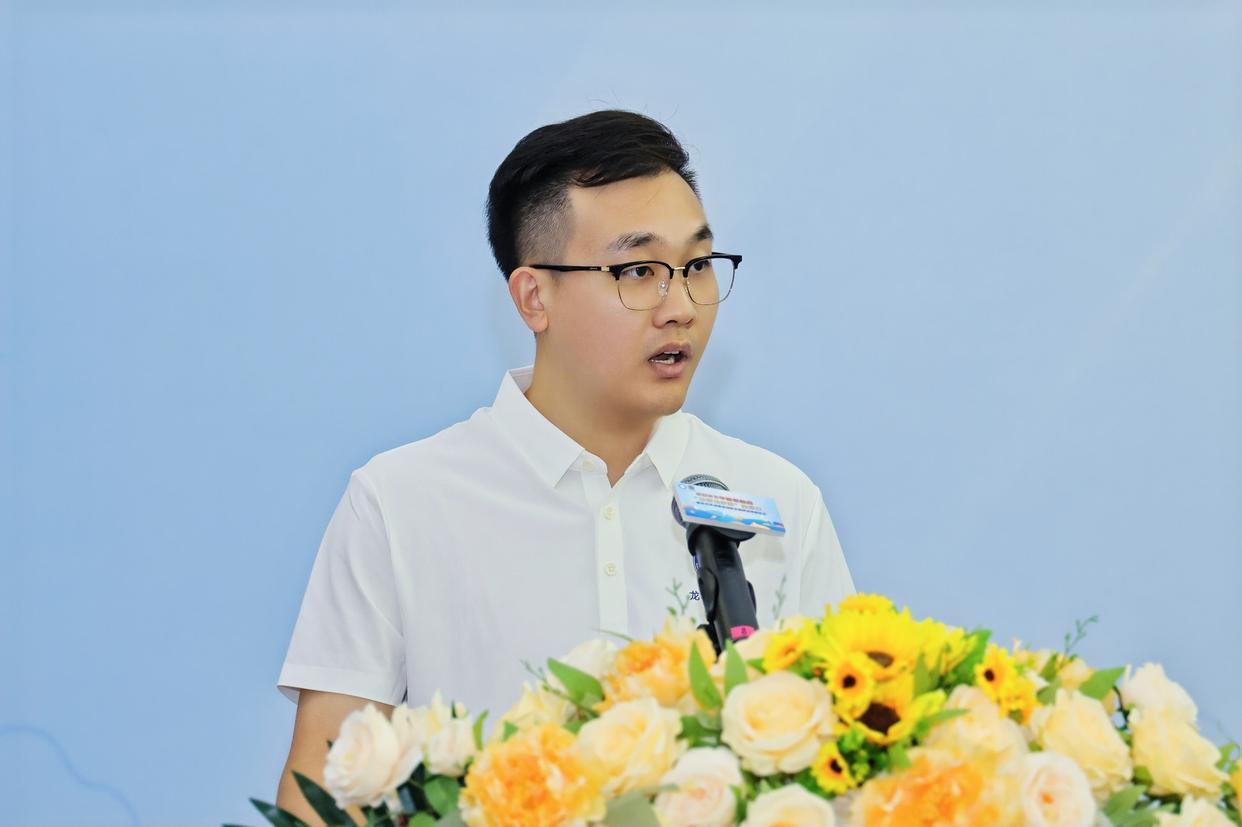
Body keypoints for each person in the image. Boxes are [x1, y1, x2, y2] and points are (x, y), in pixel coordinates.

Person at [274, 109, 855, 823]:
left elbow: (848, 768)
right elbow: (320, 798)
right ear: (534, 297)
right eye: (639, 271)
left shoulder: (778, 498)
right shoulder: (398, 504)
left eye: (697, 266)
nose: (681, 306)